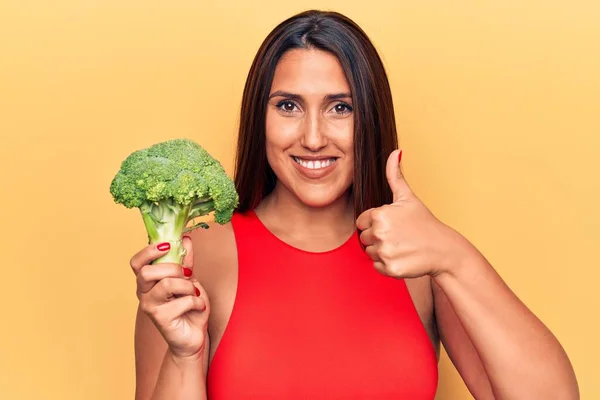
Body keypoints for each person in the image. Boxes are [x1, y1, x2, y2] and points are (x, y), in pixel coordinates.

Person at [128, 10, 579, 400]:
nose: (312, 137)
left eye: (340, 108)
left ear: (371, 117)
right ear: (257, 118)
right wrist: (185, 355)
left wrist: (454, 255)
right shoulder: (192, 257)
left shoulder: (421, 260)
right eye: (288, 105)